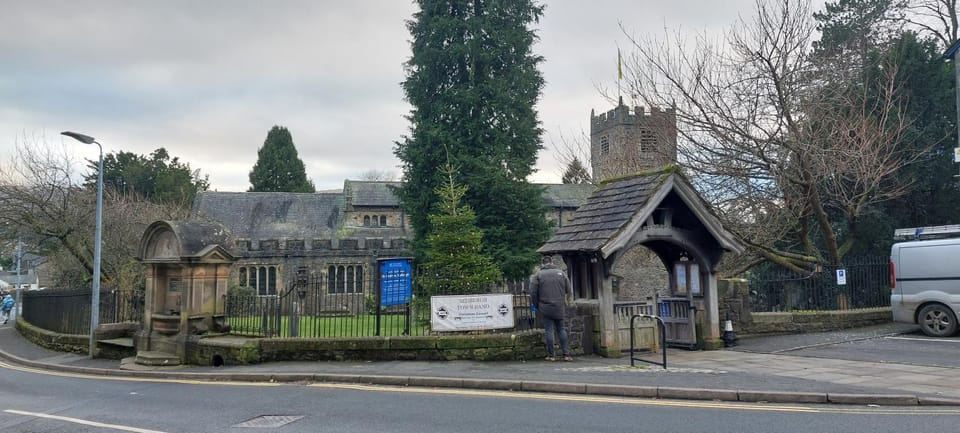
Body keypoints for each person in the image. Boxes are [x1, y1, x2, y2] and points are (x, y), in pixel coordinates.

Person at [530, 255, 573, 361]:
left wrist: (536, 305)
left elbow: (533, 293)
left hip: (545, 306)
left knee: (549, 330)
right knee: (561, 329)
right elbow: (569, 290)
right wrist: (567, 301)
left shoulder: (538, 275)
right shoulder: (561, 273)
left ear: (542, 263)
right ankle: (566, 354)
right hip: (559, 306)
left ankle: (551, 355)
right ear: (552, 262)